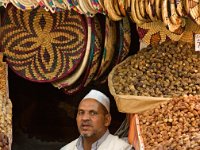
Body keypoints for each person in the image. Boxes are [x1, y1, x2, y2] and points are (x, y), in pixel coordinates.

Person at [60, 89, 133, 150]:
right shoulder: (67, 148)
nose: (85, 118)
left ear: (107, 120)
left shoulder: (122, 148)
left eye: (93, 113)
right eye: (81, 112)